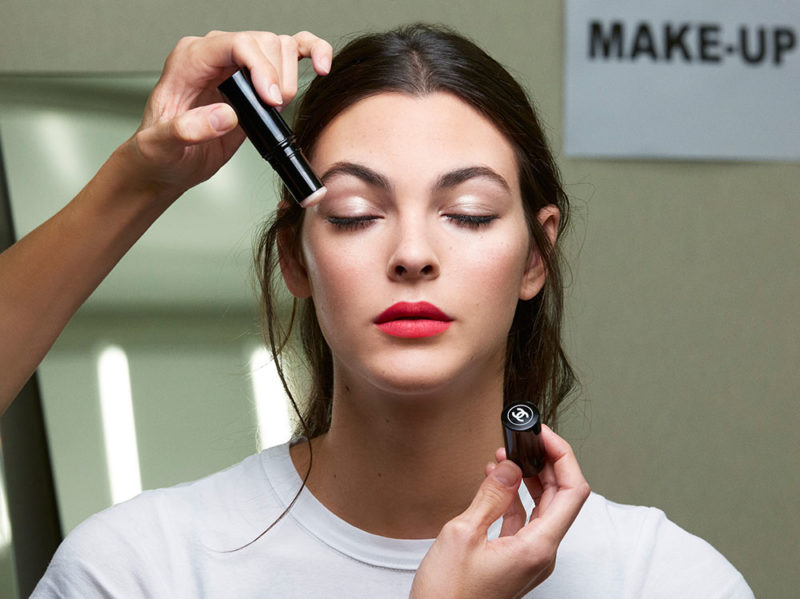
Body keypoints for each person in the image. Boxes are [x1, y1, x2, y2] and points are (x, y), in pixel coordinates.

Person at [0, 25, 752, 597]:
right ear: (295, 257)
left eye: (470, 212)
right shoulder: (140, 571)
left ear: (535, 256)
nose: (413, 253)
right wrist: (138, 176)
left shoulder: (668, 579)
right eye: (357, 212)